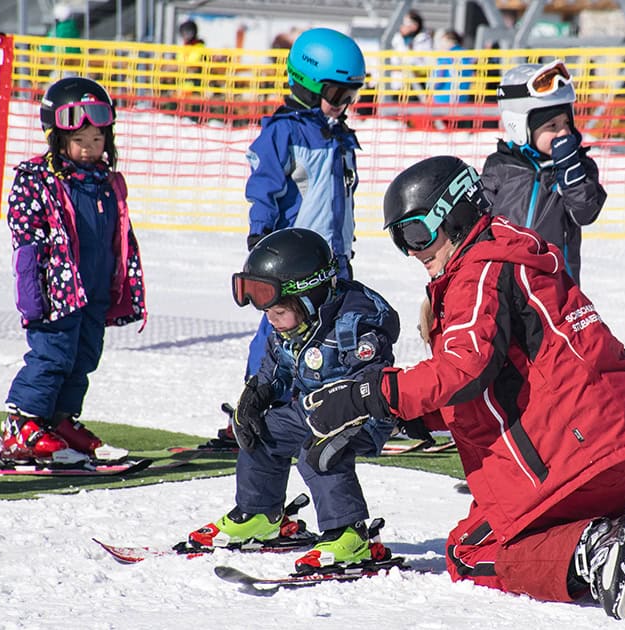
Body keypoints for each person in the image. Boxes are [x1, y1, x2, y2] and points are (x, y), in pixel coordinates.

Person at [299, 156, 625, 619]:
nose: (414, 251)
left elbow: (463, 366)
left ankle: (596, 550)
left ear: (458, 213)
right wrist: (400, 412)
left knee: (467, 550)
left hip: (575, 462)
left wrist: (366, 394)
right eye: (400, 239)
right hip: (624, 451)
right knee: (509, 522)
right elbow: (488, 384)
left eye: (419, 234)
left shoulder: (478, 271)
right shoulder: (516, 258)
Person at [189, 227, 402, 572]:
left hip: (362, 416)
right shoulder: (290, 329)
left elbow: (373, 384)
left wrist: (349, 418)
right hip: (312, 411)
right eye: (267, 314)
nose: (272, 322)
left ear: (309, 299)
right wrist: (256, 396)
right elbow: (276, 369)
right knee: (261, 432)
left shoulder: (354, 327)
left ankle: (348, 533)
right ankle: (259, 513)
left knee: (315, 452)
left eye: (278, 312)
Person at [0, 77, 145, 464]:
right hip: (56, 292)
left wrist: (122, 284)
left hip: (94, 289)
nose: (90, 149)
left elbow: (120, 236)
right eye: (81, 141)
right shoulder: (38, 180)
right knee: (52, 356)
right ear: (57, 139)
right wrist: (31, 296)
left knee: (84, 357)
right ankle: (23, 423)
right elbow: (25, 242)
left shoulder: (108, 183)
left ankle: (60, 420)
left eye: (98, 140)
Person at [235, 27, 365, 411]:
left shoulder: (338, 136)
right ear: (307, 86)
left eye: (351, 96)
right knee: (280, 328)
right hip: (293, 260)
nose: (343, 104)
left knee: (335, 328)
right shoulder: (284, 133)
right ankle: (258, 397)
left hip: (331, 257)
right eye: (337, 95)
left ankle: (325, 401)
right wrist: (260, 233)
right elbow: (264, 186)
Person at [482, 60, 606, 283]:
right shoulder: (500, 167)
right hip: (504, 281)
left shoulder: (581, 167)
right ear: (519, 126)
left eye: (566, 123)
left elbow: (584, 212)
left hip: (555, 285)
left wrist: (570, 171)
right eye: (552, 126)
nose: (563, 132)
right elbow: (479, 224)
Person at [387, 10, 432, 101]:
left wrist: (408, 67)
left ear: (415, 26)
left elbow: (422, 63)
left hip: (415, 85)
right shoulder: (397, 38)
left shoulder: (423, 39)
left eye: (406, 23)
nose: (402, 26)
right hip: (397, 85)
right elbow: (393, 60)